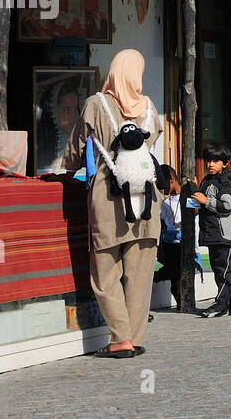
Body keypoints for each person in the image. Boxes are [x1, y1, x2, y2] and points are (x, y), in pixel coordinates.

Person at [62, 48, 163, 358]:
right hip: (146, 198)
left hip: (109, 199)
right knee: (140, 275)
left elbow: (76, 151)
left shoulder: (96, 104)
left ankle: (120, 338)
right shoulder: (150, 109)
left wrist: (68, 168)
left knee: (105, 273)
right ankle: (134, 337)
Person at [194, 141, 231, 318]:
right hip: (212, 233)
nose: (211, 164)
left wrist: (206, 201)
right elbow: (202, 202)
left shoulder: (226, 182)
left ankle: (220, 305)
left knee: (222, 271)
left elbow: (226, 206)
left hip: (223, 234)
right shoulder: (207, 180)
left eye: (215, 161)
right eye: (208, 160)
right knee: (220, 270)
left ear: (225, 163)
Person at [153, 164, 182, 309]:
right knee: (175, 274)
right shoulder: (165, 203)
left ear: (171, 180)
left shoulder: (186, 197)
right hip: (170, 242)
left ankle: (158, 276)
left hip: (184, 241)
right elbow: (163, 221)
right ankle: (180, 302)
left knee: (178, 271)